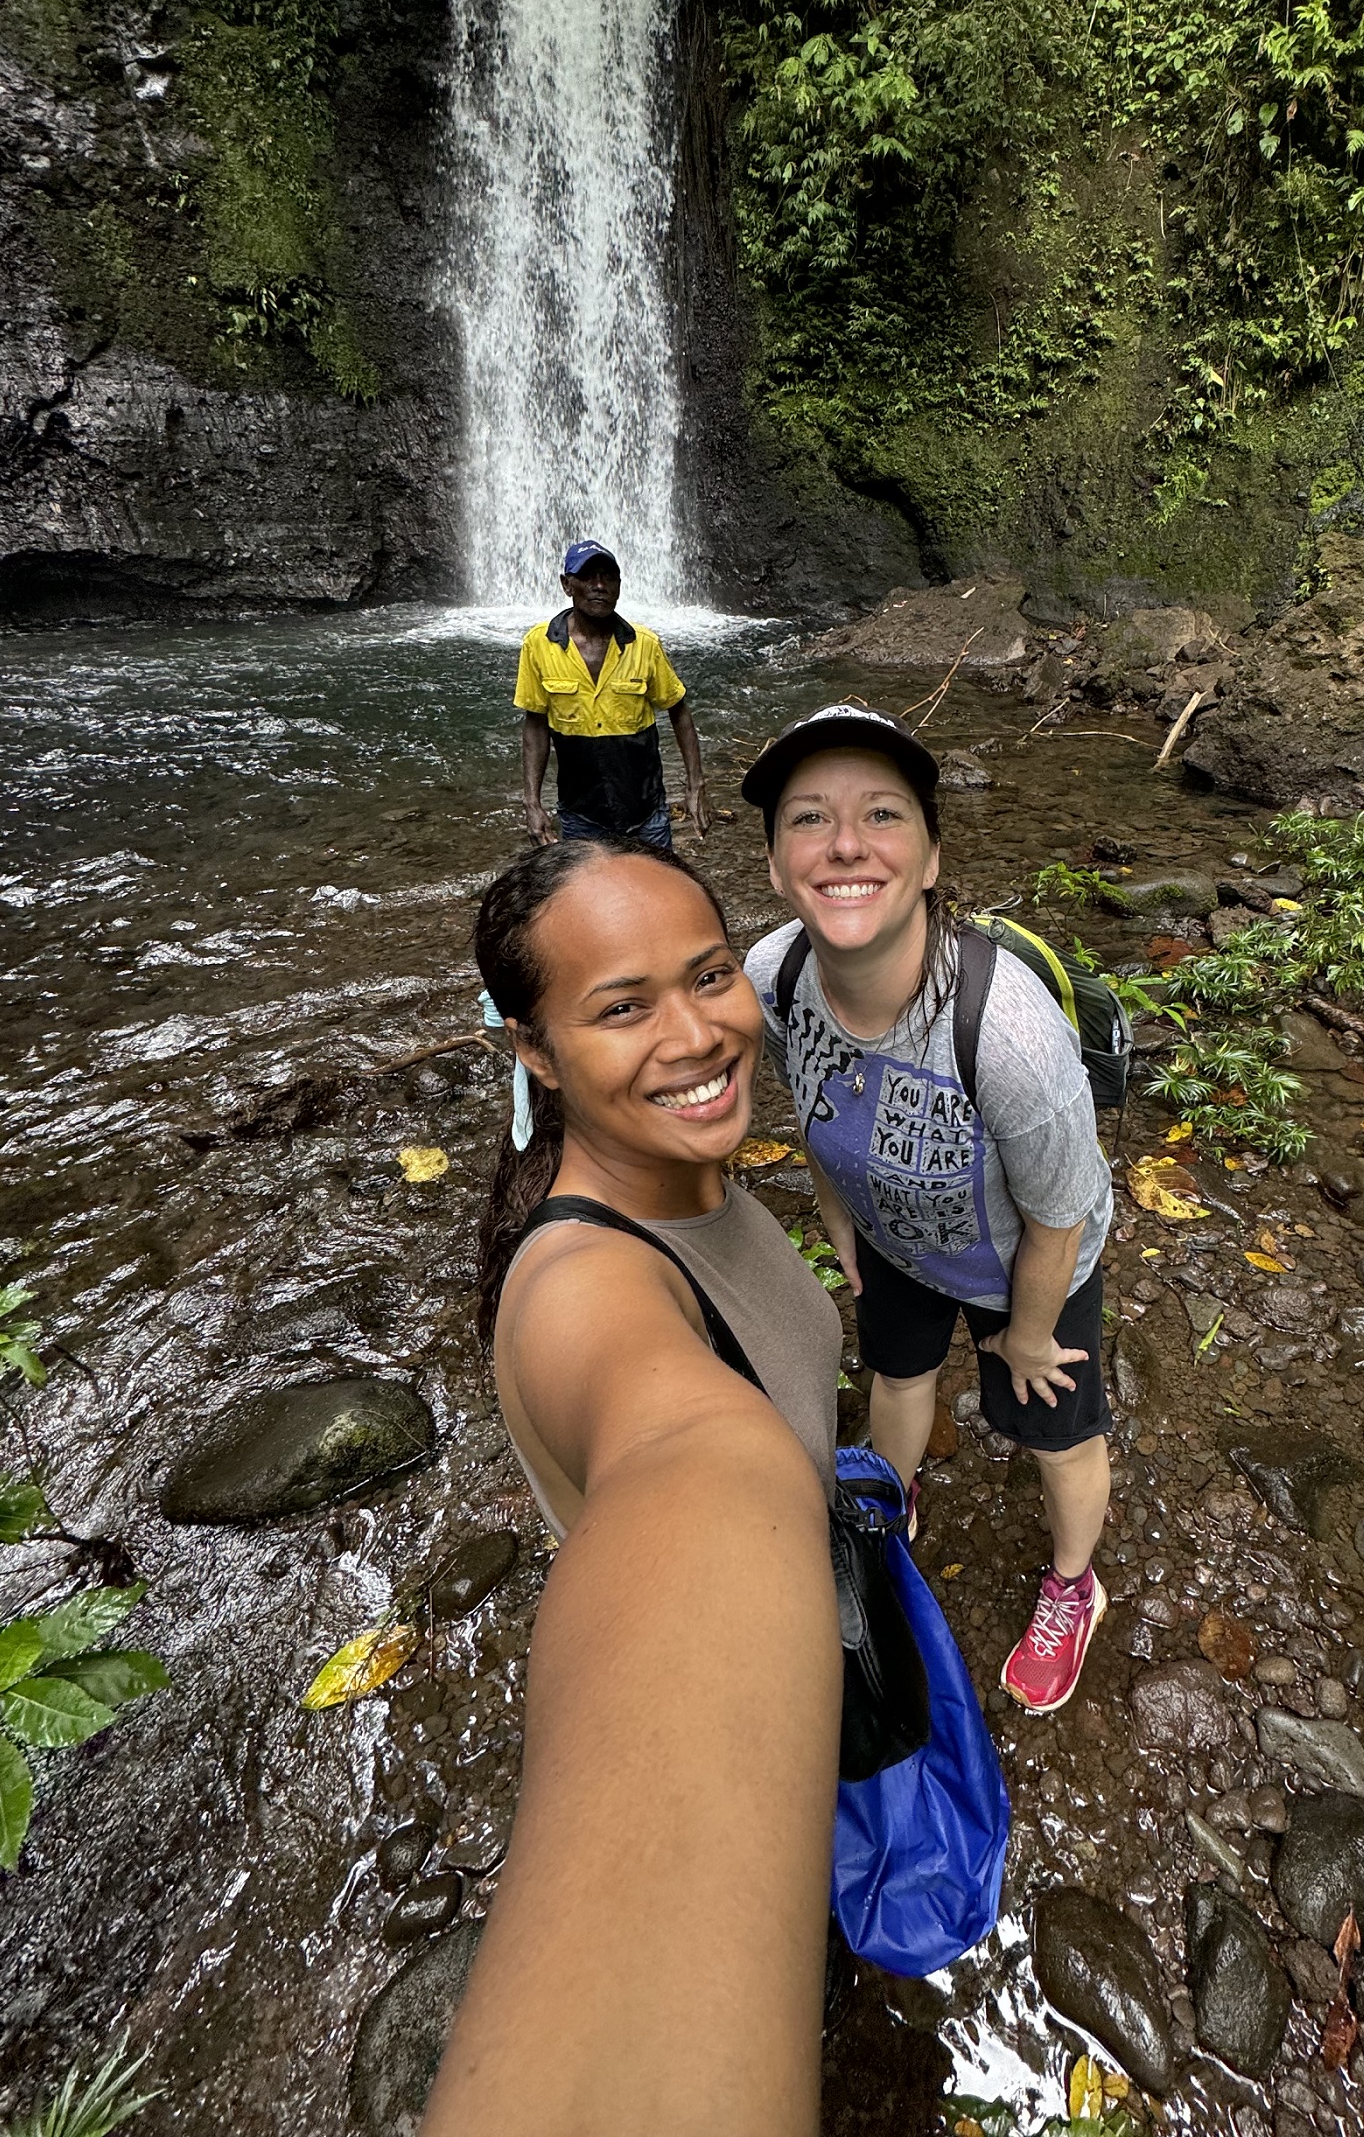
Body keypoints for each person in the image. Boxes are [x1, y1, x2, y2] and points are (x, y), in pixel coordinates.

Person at [422, 837, 841, 2135]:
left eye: (708, 974)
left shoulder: (680, 1175)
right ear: (533, 1053)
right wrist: (757, 1491)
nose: (698, 1033)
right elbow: (690, 1468)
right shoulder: (580, 1290)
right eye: (620, 1006)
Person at [743, 705, 1116, 1719]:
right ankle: (884, 1517)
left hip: (1024, 1266)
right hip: (899, 1235)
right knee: (895, 1378)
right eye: (810, 819)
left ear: (933, 856)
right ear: (776, 863)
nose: (847, 843)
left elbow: (1061, 1213)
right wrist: (836, 1214)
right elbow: (809, 1100)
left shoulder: (1006, 1035)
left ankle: (1072, 1585)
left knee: (1051, 1435)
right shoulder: (773, 976)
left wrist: (1029, 1333)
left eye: (883, 815)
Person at [516, 539, 710, 850]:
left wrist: (695, 785)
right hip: (581, 815)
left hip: (646, 813)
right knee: (588, 898)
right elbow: (535, 725)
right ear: (567, 585)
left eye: (608, 577)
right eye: (588, 577)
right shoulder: (538, 645)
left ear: (619, 586)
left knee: (656, 894)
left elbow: (679, 711)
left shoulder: (644, 645)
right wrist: (532, 803)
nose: (599, 586)